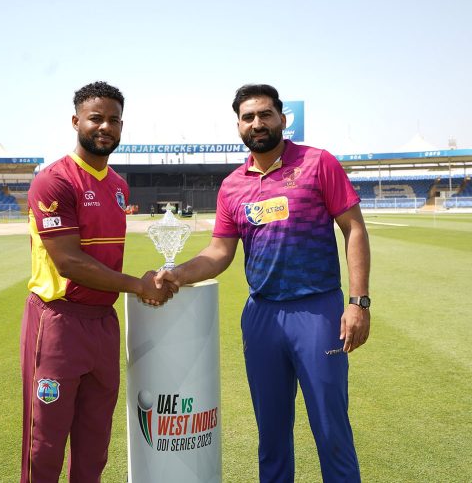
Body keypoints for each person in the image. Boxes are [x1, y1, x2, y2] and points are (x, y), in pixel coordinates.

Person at [155, 84, 371, 482]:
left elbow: (353, 228)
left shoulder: (318, 163)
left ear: (282, 120)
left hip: (317, 310)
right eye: (248, 117)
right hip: (262, 316)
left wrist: (358, 303)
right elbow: (220, 252)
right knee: (271, 432)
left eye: (265, 114)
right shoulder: (233, 186)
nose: (258, 123)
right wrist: (178, 273)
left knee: (329, 427)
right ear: (238, 125)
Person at [20, 81, 176, 482]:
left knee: (94, 443)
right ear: (76, 121)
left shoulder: (119, 187)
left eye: (114, 120)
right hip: (58, 323)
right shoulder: (54, 180)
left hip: (103, 322)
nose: (106, 126)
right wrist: (139, 286)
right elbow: (69, 261)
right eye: (96, 118)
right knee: (45, 444)